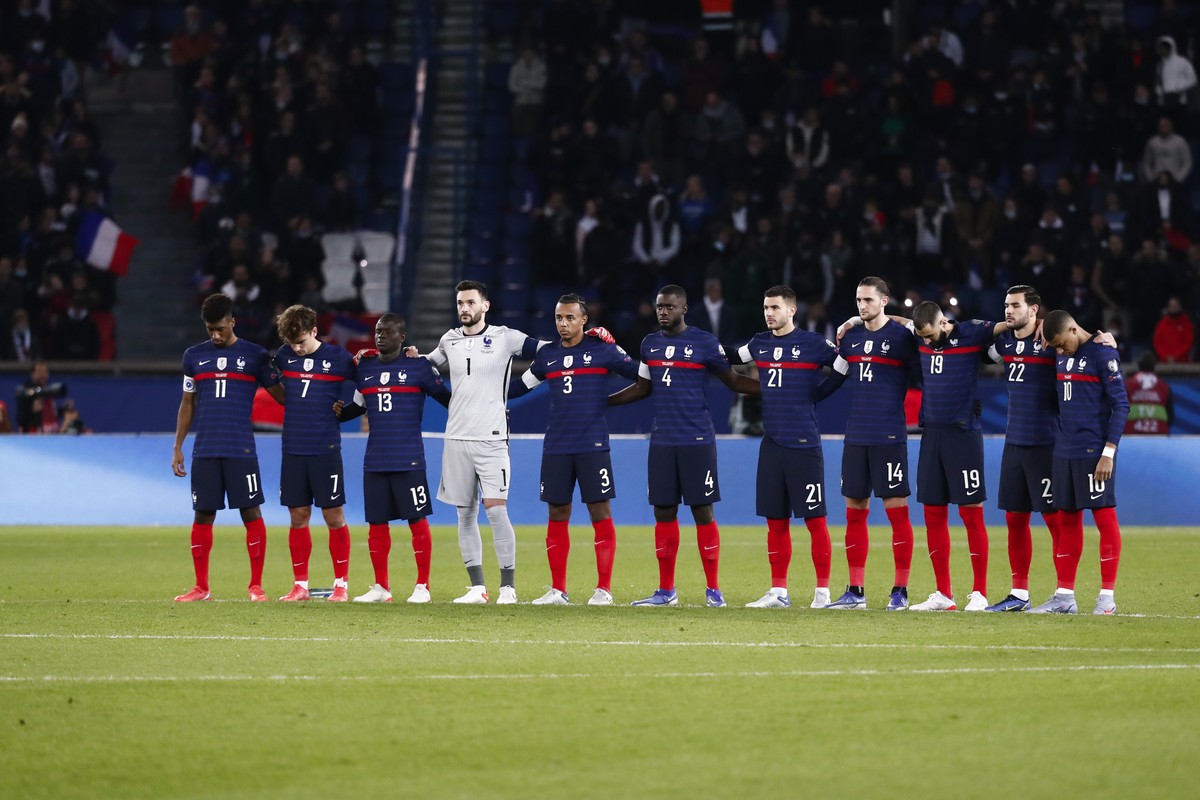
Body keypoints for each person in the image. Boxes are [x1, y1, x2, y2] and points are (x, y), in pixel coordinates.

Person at [608, 284, 760, 607]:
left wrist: (775, 390)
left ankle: (714, 589)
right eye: (660, 307)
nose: (663, 312)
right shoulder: (649, 344)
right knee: (663, 512)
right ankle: (666, 591)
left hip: (697, 440)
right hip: (662, 441)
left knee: (703, 512)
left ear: (684, 309)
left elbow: (733, 380)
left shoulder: (705, 342)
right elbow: (642, 388)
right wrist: (605, 402)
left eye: (669, 307)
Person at [985, 287, 1121, 612]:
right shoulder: (1004, 343)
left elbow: (1082, 344)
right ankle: (1020, 594)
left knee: (1057, 520)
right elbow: (964, 336)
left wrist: (1110, 340)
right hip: (1014, 443)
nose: (1008, 311)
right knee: (1015, 519)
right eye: (1005, 305)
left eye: (1015, 306)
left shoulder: (1053, 345)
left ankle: (1070, 593)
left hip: (1049, 443)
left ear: (1034, 310)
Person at [510, 294, 640, 605]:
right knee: (557, 513)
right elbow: (518, 388)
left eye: (570, 318)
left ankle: (604, 590)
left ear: (584, 320)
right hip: (556, 445)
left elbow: (641, 374)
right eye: (559, 318)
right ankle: (558, 590)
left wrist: (618, 349)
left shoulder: (603, 351)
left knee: (599, 511)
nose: (563, 324)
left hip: (592, 445)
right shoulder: (547, 356)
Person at [729, 286, 840, 608]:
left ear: (791, 310)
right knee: (775, 521)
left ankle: (822, 592)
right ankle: (778, 591)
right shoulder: (760, 344)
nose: (768, 313)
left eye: (774, 308)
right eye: (765, 307)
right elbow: (734, 357)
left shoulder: (814, 344)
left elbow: (845, 366)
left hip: (804, 445)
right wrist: (697, 344)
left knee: (814, 520)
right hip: (772, 444)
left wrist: (819, 392)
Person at [172, 294, 283, 602]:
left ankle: (256, 586)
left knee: (251, 511)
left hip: (240, 450)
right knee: (203, 514)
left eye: (221, 328)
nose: (216, 335)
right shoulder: (193, 357)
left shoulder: (255, 355)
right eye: (211, 330)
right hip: (205, 449)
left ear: (233, 322)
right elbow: (187, 403)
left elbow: (282, 396)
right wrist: (178, 446)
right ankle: (201, 587)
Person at [908, 300, 1016, 611]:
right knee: (932, 514)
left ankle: (979, 592)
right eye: (921, 337)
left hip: (964, 434)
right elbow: (894, 320)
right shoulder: (919, 334)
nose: (925, 341)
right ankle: (944, 594)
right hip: (931, 436)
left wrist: (1030, 324)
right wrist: (853, 322)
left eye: (929, 335)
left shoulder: (971, 333)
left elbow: (1005, 326)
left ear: (943, 324)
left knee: (971, 513)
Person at [335, 314, 451, 603]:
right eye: (377, 331)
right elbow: (357, 407)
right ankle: (381, 587)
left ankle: (423, 586)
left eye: (387, 332)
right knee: (376, 523)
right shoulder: (366, 369)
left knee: (417, 520)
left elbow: (449, 400)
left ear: (403, 337)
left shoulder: (419, 368)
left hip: (408, 458)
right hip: (375, 459)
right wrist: (341, 411)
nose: (380, 336)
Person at [824, 277, 921, 611]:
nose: (861, 306)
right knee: (854, 514)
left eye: (867, 300)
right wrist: (797, 398)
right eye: (857, 301)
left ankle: (900, 590)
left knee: (897, 514)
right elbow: (834, 380)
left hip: (889, 437)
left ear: (884, 301)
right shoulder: (850, 339)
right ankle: (855, 590)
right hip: (856, 438)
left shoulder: (901, 337)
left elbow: (926, 362)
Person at [1033, 311, 1130, 615]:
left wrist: (1108, 453)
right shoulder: (1061, 351)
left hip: (1094, 452)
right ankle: (1064, 597)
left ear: (1074, 329)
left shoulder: (1103, 354)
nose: (1060, 351)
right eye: (1056, 347)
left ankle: (1106, 598)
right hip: (1064, 451)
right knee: (1067, 519)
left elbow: (1121, 404)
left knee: (1104, 517)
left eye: (1062, 344)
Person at [271, 305, 356, 603]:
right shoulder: (283, 356)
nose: (297, 348)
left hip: (325, 449)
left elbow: (367, 380)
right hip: (293, 449)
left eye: (302, 341)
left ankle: (341, 585)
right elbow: (269, 380)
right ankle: (300, 586)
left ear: (315, 331)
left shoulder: (339, 358)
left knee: (333, 516)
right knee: (298, 517)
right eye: (293, 343)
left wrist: (349, 408)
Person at [1125, 351, 1173, 435]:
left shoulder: (1127, 385)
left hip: (1131, 435)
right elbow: (1171, 417)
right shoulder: (1164, 387)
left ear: (1138, 365)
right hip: (1159, 434)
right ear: (1154, 366)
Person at [15, 361, 66, 434]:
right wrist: (33, 412)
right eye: (39, 371)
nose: (43, 375)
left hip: (52, 436)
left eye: (45, 372)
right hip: (34, 437)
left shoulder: (49, 391)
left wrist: (62, 411)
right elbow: (20, 420)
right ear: (33, 374)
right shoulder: (26, 393)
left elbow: (51, 415)